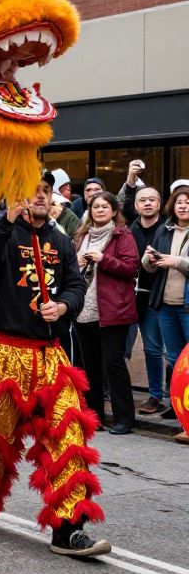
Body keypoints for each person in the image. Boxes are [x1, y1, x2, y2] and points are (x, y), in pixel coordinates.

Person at [0, 170, 111, 559]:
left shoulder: (59, 239)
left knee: (68, 437)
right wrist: (6, 218)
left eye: (45, 192)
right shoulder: (2, 231)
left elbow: (76, 286)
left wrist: (63, 306)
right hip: (4, 353)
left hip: (49, 355)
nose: (40, 198)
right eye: (33, 192)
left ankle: (68, 529)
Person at [72, 193, 139, 434]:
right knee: (90, 366)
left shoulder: (122, 235)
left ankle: (124, 419)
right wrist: (77, 262)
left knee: (113, 364)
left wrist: (104, 259)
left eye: (104, 206)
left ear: (113, 211)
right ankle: (95, 417)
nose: (99, 210)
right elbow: (70, 270)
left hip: (113, 310)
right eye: (95, 207)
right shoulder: (82, 235)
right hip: (84, 309)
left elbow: (132, 267)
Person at [141, 181, 189, 434]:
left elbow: (179, 263)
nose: (183, 206)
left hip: (187, 307)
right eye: (180, 202)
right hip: (165, 305)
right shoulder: (165, 229)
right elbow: (148, 268)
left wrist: (177, 261)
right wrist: (149, 259)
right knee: (174, 360)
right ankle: (180, 410)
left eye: (188, 202)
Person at [124, 186, 167, 414]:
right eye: (143, 200)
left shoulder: (167, 228)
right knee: (122, 349)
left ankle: (156, 396)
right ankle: (116, 393)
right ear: (136, 206)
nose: (148, 203)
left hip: (156, 297)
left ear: (159, 203)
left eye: (152, 199)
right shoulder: (129, 230)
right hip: (129, 297)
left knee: (153, 348)